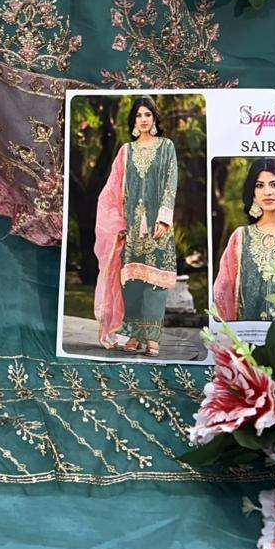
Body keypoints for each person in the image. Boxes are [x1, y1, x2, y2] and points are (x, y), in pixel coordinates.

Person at [95, 97, 179, 355]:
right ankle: (133, 335)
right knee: (131, 283)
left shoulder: (166, 147)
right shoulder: (126, 151)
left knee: (156, 283)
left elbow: (171, 182)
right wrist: (116, 222)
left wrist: (164, 218)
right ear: (133, 120)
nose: (143, 119)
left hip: (158, 225)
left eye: (147, 115)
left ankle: (152, 338)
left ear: (154, 119)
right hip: (131, 226)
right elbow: (112, 189)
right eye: (139, 115)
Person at [214, 158, 275, 321]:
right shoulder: (240, 237)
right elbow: (223, 292)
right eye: (259, 185)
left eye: (274, 185)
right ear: (253, 194)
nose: (267, 192)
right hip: (247, 335)